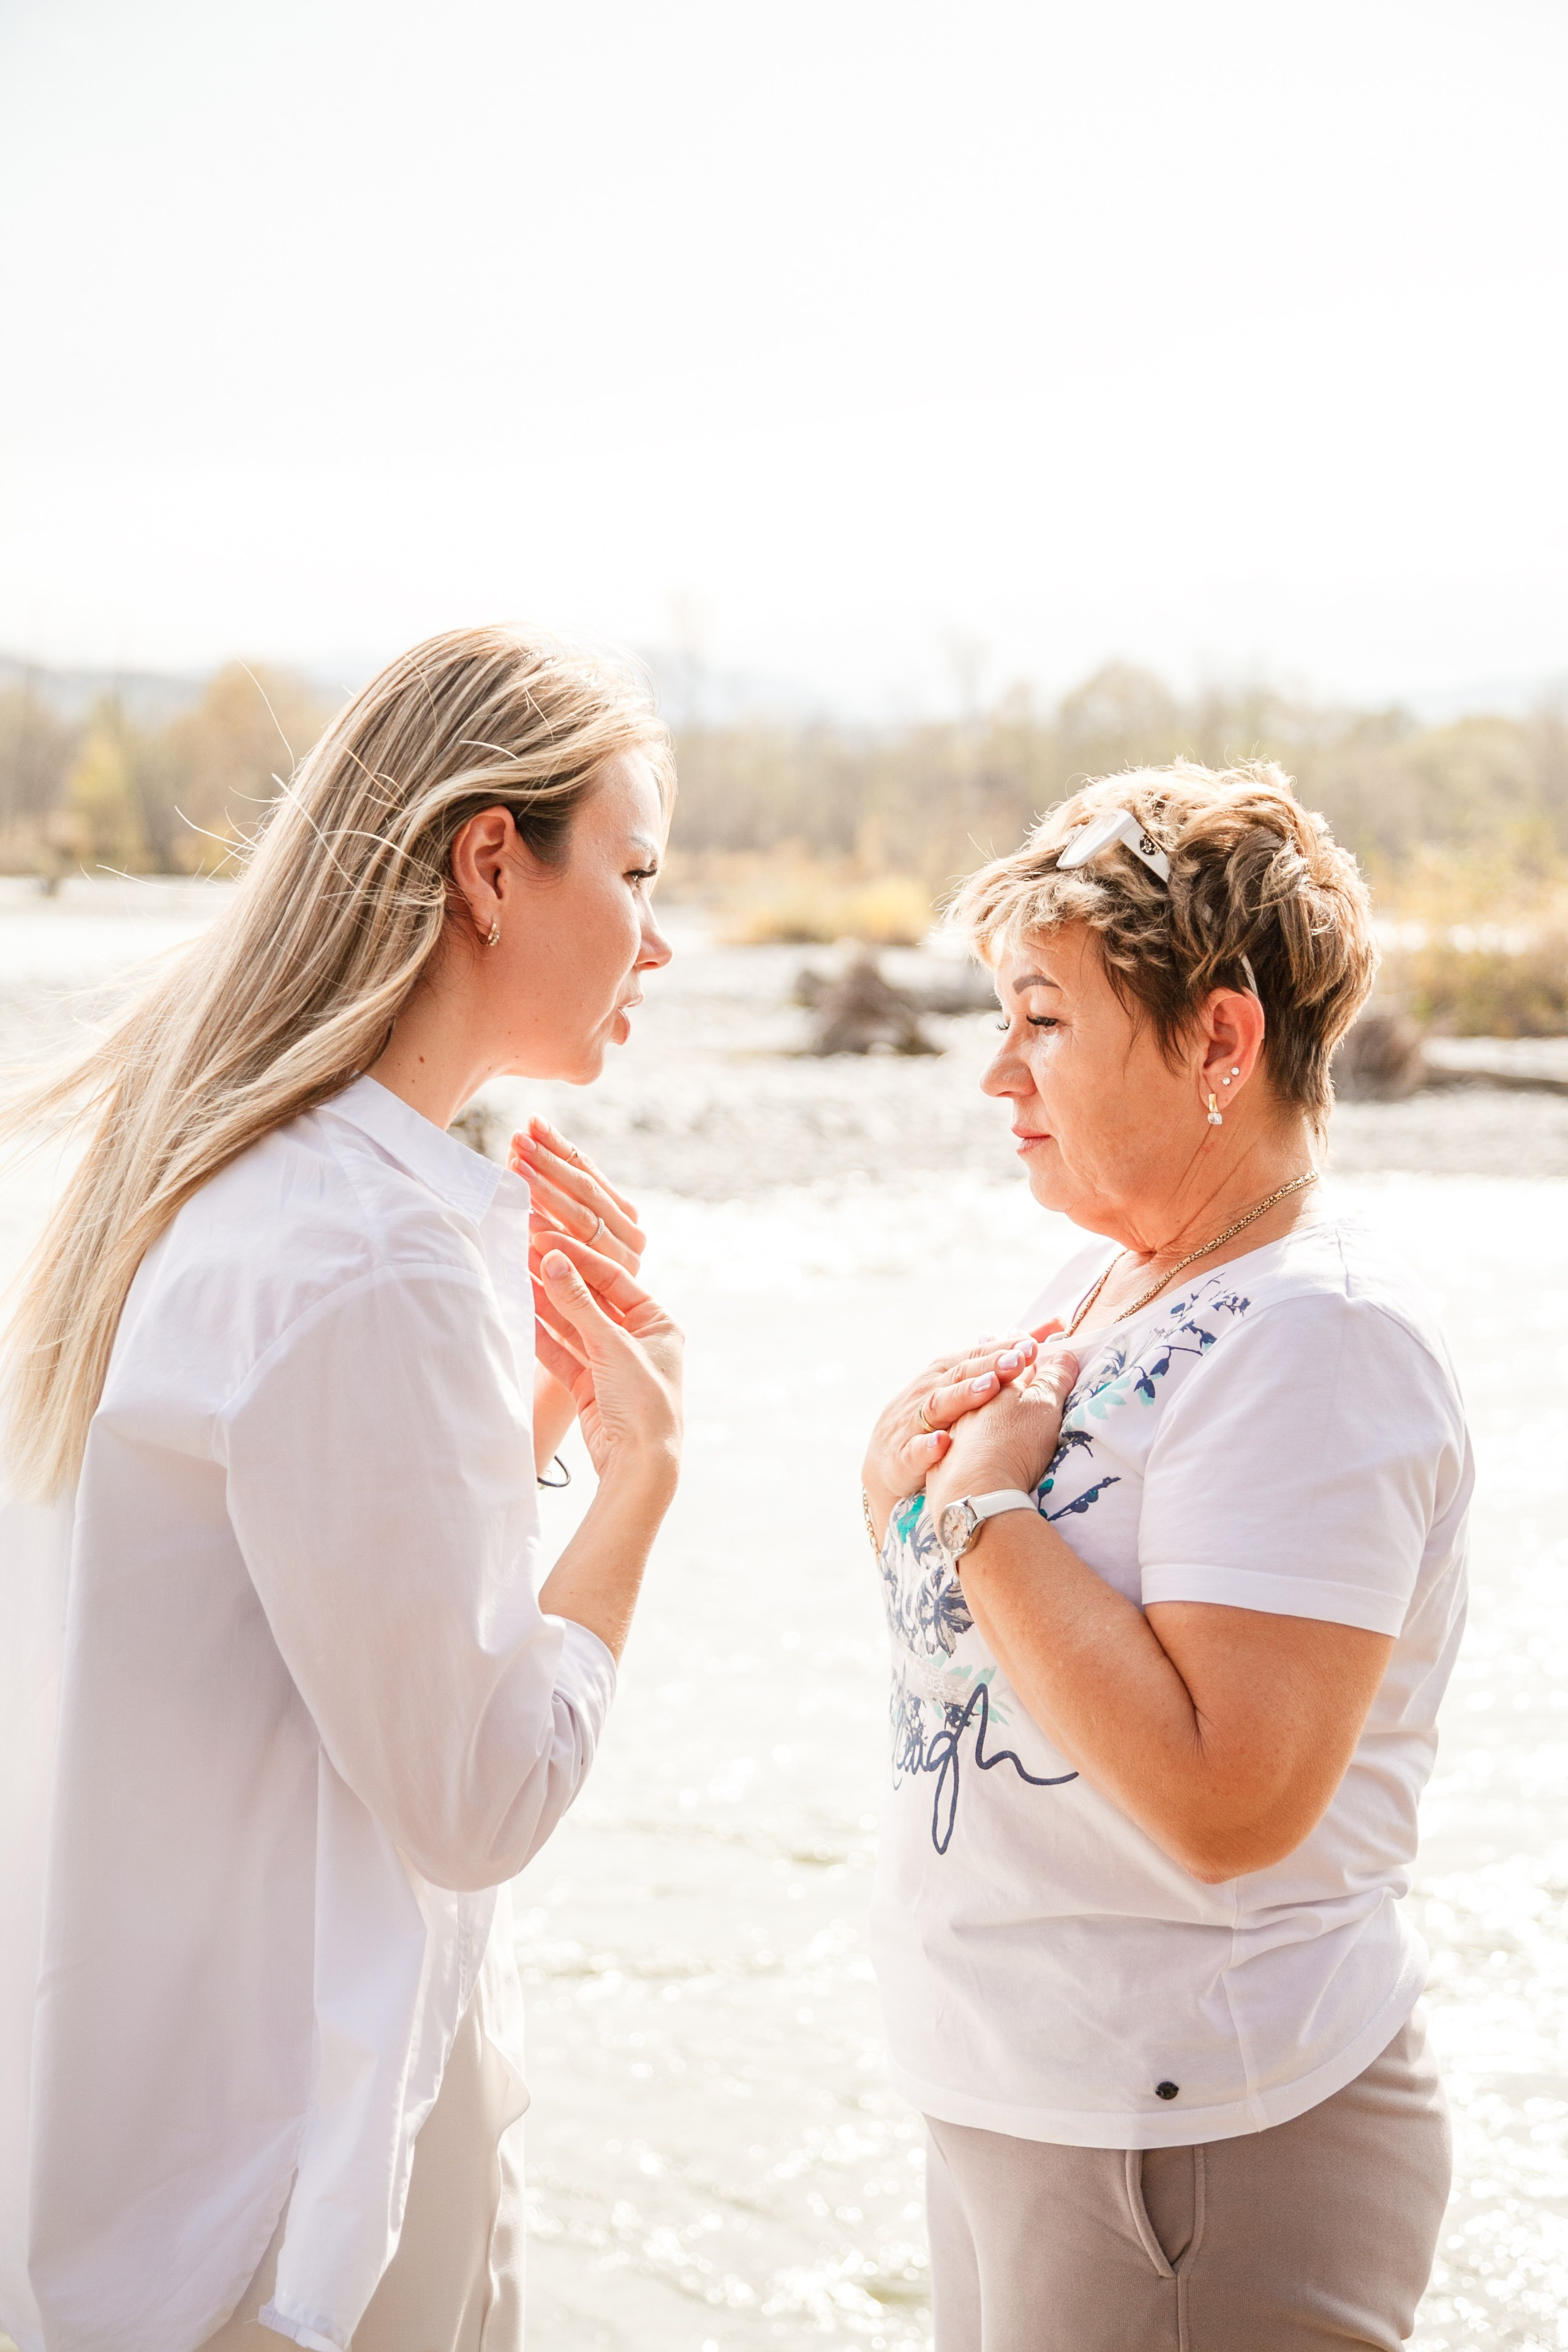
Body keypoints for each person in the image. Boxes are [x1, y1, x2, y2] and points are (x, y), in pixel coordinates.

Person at [0, 627, 684, 2352]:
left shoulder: (226, 1176)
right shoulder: (372, 1249)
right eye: (635, 872)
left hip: (179, 2152)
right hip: (298, 2190)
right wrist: (642, 1479)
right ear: (490, 866)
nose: (661, 939)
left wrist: (529, 1418)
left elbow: (291, 1613)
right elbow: (476, 1799)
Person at [862, 763, 1471, 2351]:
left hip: (1196, 2145)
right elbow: (1009, 1655)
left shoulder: (1320, 1341)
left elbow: (1227, 1802)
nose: (997, 1072)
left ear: (1220, 1042)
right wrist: (904, 1502)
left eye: (1045, 1020)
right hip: (1033, 2100)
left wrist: (978, 1514)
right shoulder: (1112, 1277)